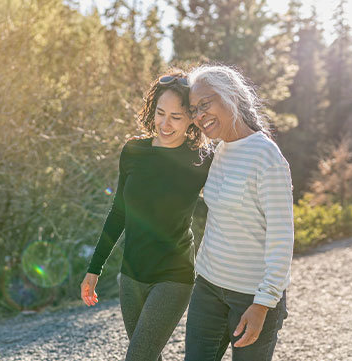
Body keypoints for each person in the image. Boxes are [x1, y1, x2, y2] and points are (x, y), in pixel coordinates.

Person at [80, 70, 212, 361]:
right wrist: (94, 268)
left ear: (192, 118)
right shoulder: (133, 151)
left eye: (176, 117)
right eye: (160, 113)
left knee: (137, 357)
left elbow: (228, 206)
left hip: (173, 276)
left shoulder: (201, 160)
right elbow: (119, 213)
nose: (165, 124)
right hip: (131, 276)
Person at [184, 64, 294, 361]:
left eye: (205, 104)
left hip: (251, 297)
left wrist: (263, 304)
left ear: (231, 95)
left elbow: (281, 236)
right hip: (208, 287)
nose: (198, 115)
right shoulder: (218, 151)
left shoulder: (265, 156)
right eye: (194, 109)